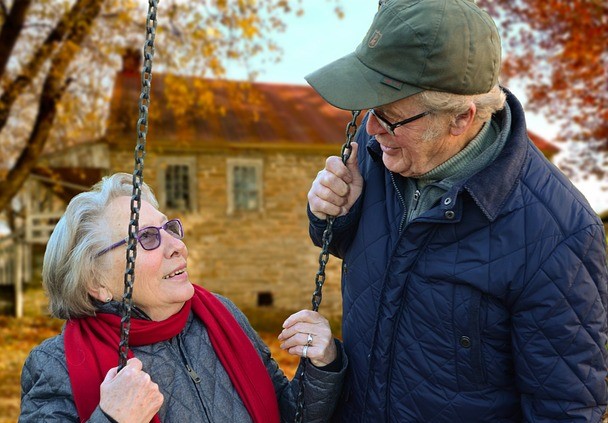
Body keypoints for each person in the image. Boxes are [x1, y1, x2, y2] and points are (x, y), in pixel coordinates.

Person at [305, 0, 608, 421]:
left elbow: (566, 409)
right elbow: (347, 246)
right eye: (369, 111)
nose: (372, 129)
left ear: (461, 118)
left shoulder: (559, 234)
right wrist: (332, 212)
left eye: (389, 118)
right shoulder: (380, 148)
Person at [20, 172, 346, 423]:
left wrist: (320, 365)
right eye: (146, 238)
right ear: (96, 282)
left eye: (169, 229)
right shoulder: (55, 365)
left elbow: (287, 414)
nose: (177, 245)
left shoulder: (222, 316)